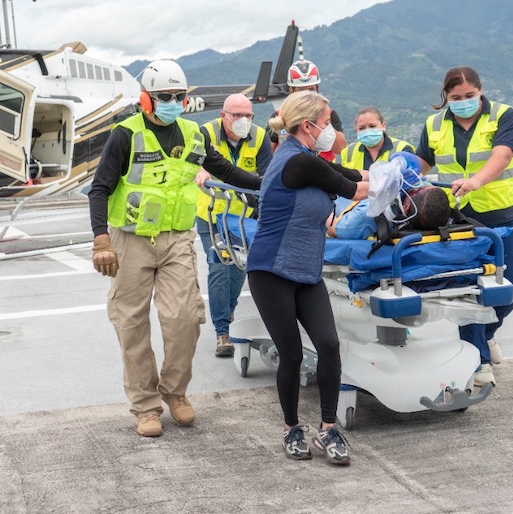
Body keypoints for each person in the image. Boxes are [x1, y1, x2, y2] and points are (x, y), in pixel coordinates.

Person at [87, 60, 262, 438]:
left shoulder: (194, 135)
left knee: (184, 318)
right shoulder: (125, 135)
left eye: (179, 96)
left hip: (176, 240)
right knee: (131, 324)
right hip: (130, 240)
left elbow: (227, 172)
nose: (172, 102)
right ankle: (146, 406)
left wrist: (270, 184)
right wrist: (101, 239)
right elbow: (99, 188)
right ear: (146, 99)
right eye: (164, 96)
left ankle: (175, 390)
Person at [246, 91, 369, 465]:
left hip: (306, 271)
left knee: (329, 345)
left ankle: (328, 429)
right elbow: (354, 188)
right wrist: (389, 182)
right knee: (293, 353)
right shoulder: (297, 161)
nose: (331, 128)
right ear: (307, 125)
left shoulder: (310, 159)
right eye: (328, 122)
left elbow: (349, 174)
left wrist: (388, 171)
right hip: (271, 271)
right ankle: (291, 428)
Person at [414, 66, 513, 388]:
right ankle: (478, 361)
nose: (463, 102)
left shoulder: (502, 116)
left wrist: (476, 181)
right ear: (446, 97)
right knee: (469, 291)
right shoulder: (435, 124)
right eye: (455, 97)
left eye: (469, 96)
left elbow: (502, 156)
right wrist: (398, 171)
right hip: (458, 219)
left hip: (500, 212)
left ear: (480, 91)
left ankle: (488, 333)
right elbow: (422, 162)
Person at [196, 94, 273, 357]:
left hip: (243, 216)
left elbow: (266, 177)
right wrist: (200, 171)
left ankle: (227, 312)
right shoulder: (205, 133)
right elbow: (192, 164)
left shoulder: (260, 137)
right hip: (211, 213)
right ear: (223, 116)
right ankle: (222, 331)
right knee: (219, 266)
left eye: (248, 115)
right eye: (237, 115)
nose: (243, 120)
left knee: (239, 268)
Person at [266, 60, 347, 160]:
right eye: (301, 90)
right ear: (291, 91)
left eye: (311, 89)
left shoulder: (329, 114)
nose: (307, 95)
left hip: (325, 168)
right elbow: (268, 155)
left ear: (317, 88)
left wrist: (325, 123)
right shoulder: (279, 116)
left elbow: (340, 148)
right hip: (292, 166)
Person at [337, 106, 416, 170]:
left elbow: (413, 178)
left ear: (383, 126)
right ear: (356, 130)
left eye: (372, 126)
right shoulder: (348, 152)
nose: (367, 131)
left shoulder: (402, 149)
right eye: (362, 128)